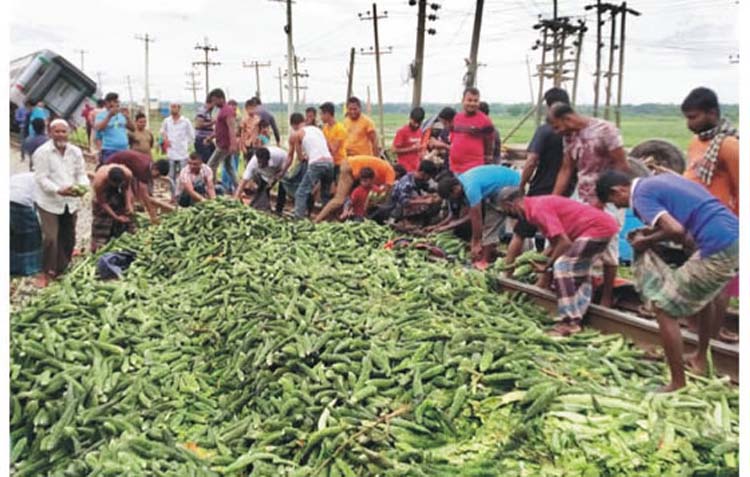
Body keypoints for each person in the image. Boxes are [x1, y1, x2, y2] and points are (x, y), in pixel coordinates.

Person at [596, 171, 738, 392]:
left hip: (716, 244)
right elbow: (682, 225)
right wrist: (653, 231)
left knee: (663, 308)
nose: (621, 207)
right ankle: (700, 358)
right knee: (705, 296)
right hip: (733, 234)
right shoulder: (658, 181)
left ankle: (677, 383)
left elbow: (675, 229)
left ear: (619, 190)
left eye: (616, 202)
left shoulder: (640, 195)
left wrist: (646, 240)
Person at [498, 188, 620, 336]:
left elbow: (564, 243)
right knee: (579, 270)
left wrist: (548, 265)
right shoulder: (534, 208)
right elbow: (556, 241)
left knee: (562, 266)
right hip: (600, 226)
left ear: (511, 204)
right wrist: (544, 259)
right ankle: (579, 312)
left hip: (596, 229)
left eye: (505, 209)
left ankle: (570, 322)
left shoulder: (537, 209)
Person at [549, 102, 629, 307]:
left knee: (608, 247)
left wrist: (603, 199)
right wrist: (553, 200)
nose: (557, 132)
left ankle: (607, 297)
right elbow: (566, 169)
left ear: (567, 118)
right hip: (582, 197)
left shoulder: (605, 130)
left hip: (609, 197)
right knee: (579, 244)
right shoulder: (569, 137)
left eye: (557, 126)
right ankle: (584, 290)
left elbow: (622, 166)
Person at [681, 87, 739, 341]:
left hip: (721, 225)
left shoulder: (729, 146)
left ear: (712, 113)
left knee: (717, 282)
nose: (688, 124)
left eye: (693, 117)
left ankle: (712, 336)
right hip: (694, 221)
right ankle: (697, 326)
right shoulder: (697, 142)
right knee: (698, 277)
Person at [506, 88, 574, 272]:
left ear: (549, 106)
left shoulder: (546, 130)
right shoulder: (573, 132)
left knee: (521, 232)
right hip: (565, 192)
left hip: (541, 190)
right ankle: (543, 277)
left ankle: (507, 272)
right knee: (556, 236)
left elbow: (531, 161)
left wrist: (521, 186)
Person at [32, 119, 89, 287]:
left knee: (69, 236)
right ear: (50, 133)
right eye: (57, 131)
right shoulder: (42, 152)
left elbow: (81, 173)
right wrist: (58, 190)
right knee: (50, 237)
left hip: (70, 200)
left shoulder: (75, 152)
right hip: (49, 201)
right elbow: (41, 178)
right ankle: (44, 271)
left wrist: (83, 186)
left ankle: (61, 269)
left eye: (63, 131)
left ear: (68, 133)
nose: (61, 135)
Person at [435, 165, 520, 268]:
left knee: (492, 223)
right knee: (493, 222)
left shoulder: (470, 187)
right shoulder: (462, 182)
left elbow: (477, 217)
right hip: (500, 187)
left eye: (451, 196)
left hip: (511, 185)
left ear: (455, 189)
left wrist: (476, 242)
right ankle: (493, 252)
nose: (453, 199)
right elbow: (471, 214)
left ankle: (484, 261)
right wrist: (447, 226)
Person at [278, 113, 334, 219]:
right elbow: (330, 148)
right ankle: (327, 219)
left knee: (301, 192)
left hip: (316, 163)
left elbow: (299, 157)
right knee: (325, 194)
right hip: (330, 162)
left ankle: (299, 221)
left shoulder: (297, 134)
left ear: (293, 125)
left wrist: (305, 158)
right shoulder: (317, 130)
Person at [314, 155, 396, 223]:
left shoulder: (384, 170)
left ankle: (334, 218)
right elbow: (386, 192)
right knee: (339, 200)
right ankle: (317, 220)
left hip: (352, 165)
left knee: (345, 197)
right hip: (350, 166)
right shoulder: (391, 173)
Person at [106, 150, 174, 223]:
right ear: (155, 169)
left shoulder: (149, 163)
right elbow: (144, 194)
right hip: (112, 168)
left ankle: (128, 211)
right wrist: (153, 215)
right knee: (116, 197)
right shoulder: (143, 168)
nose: (156, 178)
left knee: (129, 197)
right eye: (158, 175)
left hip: (124, 168)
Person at [448, 88, 495, 175]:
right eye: (469, 100)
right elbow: (453, 138)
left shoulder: (485, 121)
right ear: (463, 101)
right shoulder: (457, 118)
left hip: (474, 168)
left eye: (475, 101)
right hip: (455, 167)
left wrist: (488, 160)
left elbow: (490, 143)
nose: (472, 103)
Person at [90, 164, 135, 252]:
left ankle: (120, 242)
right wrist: (116, 217)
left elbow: (127, 189)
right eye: (114, 184)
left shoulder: (128, 174)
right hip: (103, 197)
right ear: (109, 180)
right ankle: (98, 247)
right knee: (102, 218)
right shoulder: (99, 182)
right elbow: (102, 202)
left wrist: (128, 204)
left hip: (120, 190)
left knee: (125, 216)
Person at [206, 89, 240, 191]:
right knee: (229, 167)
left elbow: (231, 128)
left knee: (211, 165)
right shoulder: (223, 110)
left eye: (215, 100)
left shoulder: (227, 110)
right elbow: (220, 128)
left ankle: (211, 188)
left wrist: (233, 144)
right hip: (223, 143)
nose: (214, 103)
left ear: (221, 98)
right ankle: (238, 188)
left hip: (224, 145)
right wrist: (211, 137)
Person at [10, 172, 43, 277]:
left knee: (14, 235)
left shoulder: (27, 176)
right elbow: (40, 205)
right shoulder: (42, 181)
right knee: (30, 234)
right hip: (20, 202)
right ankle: (30, 268)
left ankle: (13, 266)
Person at [235, 146, 287, 210]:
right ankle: (264, 205)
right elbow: (244, 180)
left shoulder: (278, 156)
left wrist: (279, 175)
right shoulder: (253, 163)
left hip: (283, 165)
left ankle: (279, 209)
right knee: (264, 187)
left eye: (263, 163)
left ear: (268, 159)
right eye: (259, 163)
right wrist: (237, 196)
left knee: (283, 186)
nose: (260, 165)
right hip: (267, 173)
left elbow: (284, 168)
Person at [160, 103, 195, 182]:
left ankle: (182, 192)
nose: (172, 109)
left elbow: (192, 135)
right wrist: (165, 138)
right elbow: (162, 131)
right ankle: (172, 192)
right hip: (171, 152)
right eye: (171, 107)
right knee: (170, 175)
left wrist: (186, 144)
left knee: (183, 175)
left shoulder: (185, 121)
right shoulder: (167, 121)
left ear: (179, 108)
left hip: (182, 152)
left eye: (174, 107)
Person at [95, 92, 134, 163]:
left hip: (124, 149)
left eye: (117, 102)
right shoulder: (101, 115)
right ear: (107, 103)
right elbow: (99, 128)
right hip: (109, 149)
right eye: (115, 102)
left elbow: (133, 128)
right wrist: (109, 116)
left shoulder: (121, 115)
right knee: (111, 171)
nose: (117, 104)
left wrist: (128, 117)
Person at [319, 102, 348, 184]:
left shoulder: (340, 129)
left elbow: (333, 150)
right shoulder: (325, 128)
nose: (321, 117)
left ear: (328, 114)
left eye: (322, 114)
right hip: (329, 162)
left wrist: (325, 140)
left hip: (339, 163)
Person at [392, 107, 425, 173]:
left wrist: (422, 153)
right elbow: (394, 150)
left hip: (416, 167)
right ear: (410, 118)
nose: (416, 125)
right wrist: (411, 149)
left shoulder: (420, 131)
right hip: (404, 168)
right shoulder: (402, 131)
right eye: (414, 122)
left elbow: (419, 149)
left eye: (419, 123)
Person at [194, 96, 216, 163]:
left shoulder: (208, 112)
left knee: (211, 160)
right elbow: (199, 124)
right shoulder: (202, 111)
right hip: (202, 140)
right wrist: (213, 122)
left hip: (208, 139)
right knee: (205, 161)